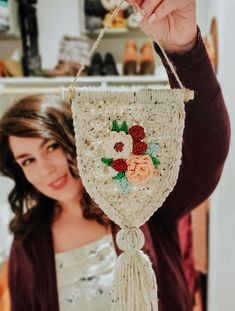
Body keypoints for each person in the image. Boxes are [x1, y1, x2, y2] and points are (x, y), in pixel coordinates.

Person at [0, 0, 230, 310]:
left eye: (51, 146)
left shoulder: (139, 199)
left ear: (78, 139)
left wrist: (183, 48)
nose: (45, 169)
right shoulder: (28, 244)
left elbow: (207, 149)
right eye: (27, 160)